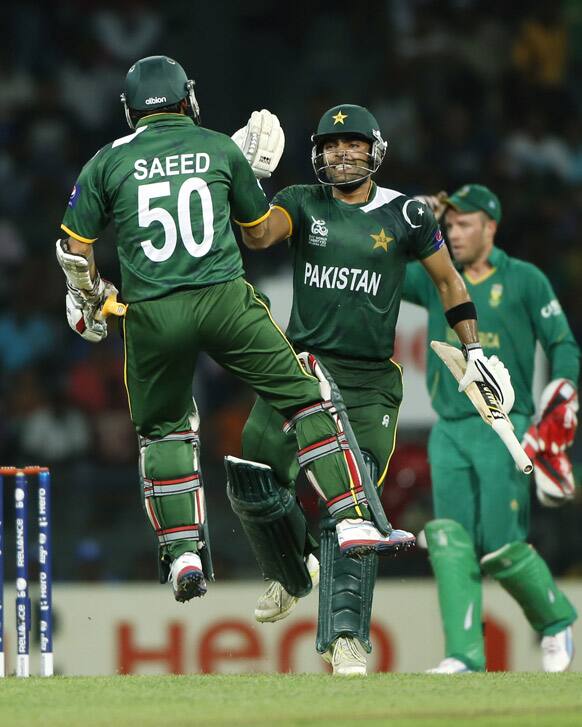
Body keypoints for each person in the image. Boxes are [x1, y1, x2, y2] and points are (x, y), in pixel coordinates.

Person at [55, 56, 414, 605]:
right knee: (302, 398)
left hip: (152, 312)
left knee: (165, 429)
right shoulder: (219, 147)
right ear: (186, 99)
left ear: (131, 111)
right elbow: (256, 232)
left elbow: (74, 253)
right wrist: (248, 174)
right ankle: (349, 518)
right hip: (223, 299)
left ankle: (184, 554)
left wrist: (92, 297)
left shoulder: (106, 161)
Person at [230, 105, 514, 675]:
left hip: (368, 383)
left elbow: (448, 280)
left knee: (351, 511)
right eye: (332, 146)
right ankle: (292, 572)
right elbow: (258, 235)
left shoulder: (407, 213)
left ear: (374, 151)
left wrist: (475, 349)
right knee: (252, 475)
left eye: (353, 145)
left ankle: (346, 641)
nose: (342, 154)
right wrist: (246, 177)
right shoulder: (298, 201)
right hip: (300, 370)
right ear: (318, 154)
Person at [403, 184, 579, 673]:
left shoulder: (524, 279)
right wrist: (420, 221)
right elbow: (387, 272)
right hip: (450, 428)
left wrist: (563, 392)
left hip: (507, 425)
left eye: (464, 224)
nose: (454, 233)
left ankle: (555, 618)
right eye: (450, 224)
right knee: (448, 539)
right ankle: (463, 655)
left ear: (490, 226)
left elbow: (563, 343)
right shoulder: (437, 277)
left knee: (501, 544)